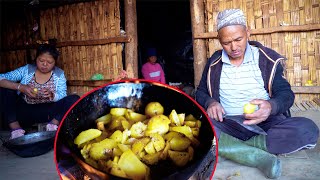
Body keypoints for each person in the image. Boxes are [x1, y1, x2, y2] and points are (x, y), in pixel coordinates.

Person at [195, 9, 319, 179]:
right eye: (226, 42)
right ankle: (256, 156)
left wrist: (270, 106)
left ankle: (234, 148)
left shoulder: (266, 59)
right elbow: (200, 92)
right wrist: (210, 102)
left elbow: (286, 94)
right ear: (219, 41)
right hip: (227, 123)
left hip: (265, 123)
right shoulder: (214, 62)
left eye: (238, 39)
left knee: (308, 129)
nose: (233, 47)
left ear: (248, 32)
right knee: (198, 128)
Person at [0, 44, 80, 139]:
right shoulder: (27, 69)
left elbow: (63, 94)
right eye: (41, 60)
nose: (44, 64)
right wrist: (20, 87)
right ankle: (16, 129)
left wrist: (53, 95)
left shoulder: (59, 74)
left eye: (49, 62)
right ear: (36, 59)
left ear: (55, 62)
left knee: (74, 99)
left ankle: (52, 125)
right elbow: (1, 78)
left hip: (47, 113)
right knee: (6, 89)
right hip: (24, 111)